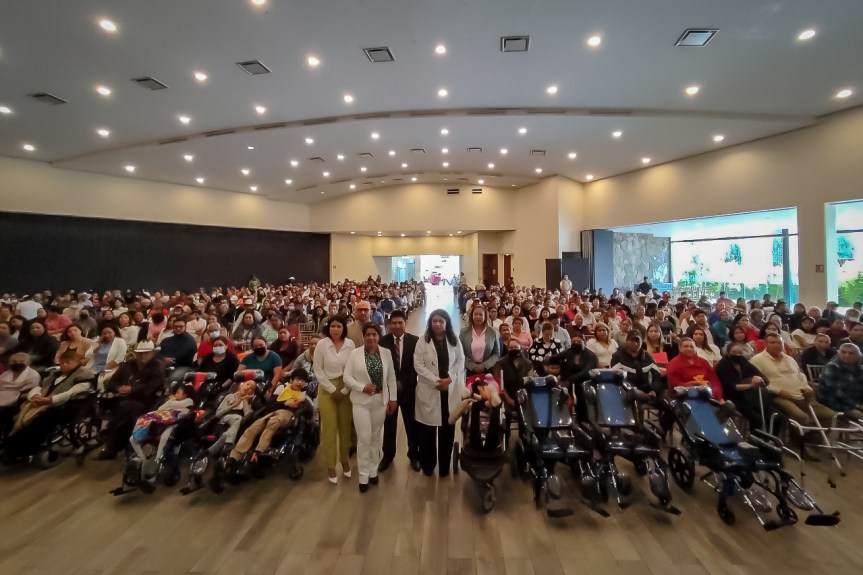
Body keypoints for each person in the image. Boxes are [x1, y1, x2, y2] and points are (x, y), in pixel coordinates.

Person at [3, 350, 96, 462]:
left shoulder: (83, 374)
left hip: (68, 406)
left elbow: (71, 393)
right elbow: (39, 387)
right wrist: (36, 396)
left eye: (68, 362)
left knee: (42, 419)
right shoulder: (55, 374)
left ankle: (23, 450)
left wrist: (50, 400)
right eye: (62, 363)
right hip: (45, 402)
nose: (64, 365)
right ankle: (8, 442)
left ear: (77, 362)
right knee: (11, 412)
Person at [751, 333, 834, 456]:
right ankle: (797, 446)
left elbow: (800, 375)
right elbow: (759, 382)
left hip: (801, 394)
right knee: (800, 416)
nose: (777, 345)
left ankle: (810, 442)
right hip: (778, 396)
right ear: (765, 344)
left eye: (779, 342)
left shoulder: (789, 359)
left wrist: (807, 387)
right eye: (773, 342)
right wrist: (778, 391)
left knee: (828, 414)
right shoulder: (757, 359)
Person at [344, 323, 398, 492]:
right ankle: (363, 475)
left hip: (380, 402)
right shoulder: (355, 354)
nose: (371, 337)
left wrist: (393, 399)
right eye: (368, 334)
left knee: (376, 438)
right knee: (364, 438)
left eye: (374, 334)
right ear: (364, 336)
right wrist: (362, 387)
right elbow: (347, 378)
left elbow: (391, 378)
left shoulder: (386, 353)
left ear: (379, 336)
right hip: (361, 402)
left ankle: (373, 471)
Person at [223, 368, 312, 470]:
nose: (300, 382)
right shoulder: (282, 388)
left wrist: (302, 405)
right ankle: (234, 457)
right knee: (254, 427)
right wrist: (285, 403)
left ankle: (258, 451)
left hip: (287, 414)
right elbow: (270, 405)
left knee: (273, 422)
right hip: (272, 412)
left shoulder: (303, 396)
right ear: (291, 380)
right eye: (298, 379)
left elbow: (309, 413)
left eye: (302, 380)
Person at [413, 309, 465, 477]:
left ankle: (444, 467)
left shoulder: (454, 340)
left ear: (446, 323)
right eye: (434, 321)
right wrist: (436, 381)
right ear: (430, 322)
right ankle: (428, 466)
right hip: (430, 389)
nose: (437, 324)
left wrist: (449, 379)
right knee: (427, 431)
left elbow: (460, 361)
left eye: (441, 321)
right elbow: (418, 365)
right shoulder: (422, 341)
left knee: (447, 431)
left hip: (448, 390)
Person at [97, 341, 166, 460]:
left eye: (146, 353)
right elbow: (112, 382)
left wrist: (133, 389)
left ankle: (112, 440)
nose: (143, 356)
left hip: (146, 401)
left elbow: (155, 385)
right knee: (123, 412)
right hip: (122, 400)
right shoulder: (127, 365)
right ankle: (115, 442)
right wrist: (119, 388)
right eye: (140, 353)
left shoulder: (156, 366)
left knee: (126, 411)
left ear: (152, 353)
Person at [313, 315, 356, 483]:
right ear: (328, 328)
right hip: (326, 388)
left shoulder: (350, 344)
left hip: (346, 387)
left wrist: (344, 390)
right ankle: (330, 466)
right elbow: (318, 370)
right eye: (333, 326)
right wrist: (332, 390)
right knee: (329, 429)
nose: (336, 329)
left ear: (344, 328)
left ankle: (345, 460)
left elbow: (353, 369)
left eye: (339, 326)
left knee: (345, 427)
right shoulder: (322, 345)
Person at [379, 310, 420, 472]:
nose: (397, 326)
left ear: (405, 323)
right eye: (393, 323)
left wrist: (402, 382)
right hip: (390, 391)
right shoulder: (383, 342)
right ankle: (388, 455)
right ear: (389, 325)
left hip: (409, 390)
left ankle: (414, 455)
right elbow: (381, 365)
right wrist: (392, 383)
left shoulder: (415, 341)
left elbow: (417, 366)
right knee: (389, 424)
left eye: (400, 322)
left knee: (411, 424)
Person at [129, 381, 195, 469]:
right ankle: (143, 461)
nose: (176, 394)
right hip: (159, 426)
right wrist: (171, 401)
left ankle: (158, 459)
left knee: (165, 435)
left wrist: (171, 400)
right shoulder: (174, 402)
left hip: (175, 426)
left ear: (185, 395)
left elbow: (173, 405)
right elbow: (160, 409)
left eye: (178, 393)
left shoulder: (189, 401)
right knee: (132, 439)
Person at [715, 343, 776, 430]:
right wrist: (751, 385)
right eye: (734, 352)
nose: (737, 355)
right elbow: (731, 387)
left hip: (750, 396)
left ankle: (769, 436)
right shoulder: (722, 366)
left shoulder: (743, 361)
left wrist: (758, 378)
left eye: (740, 353)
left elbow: (765, 380)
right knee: (756, 419)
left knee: (774, 416)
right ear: (728, 353)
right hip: (733, 398)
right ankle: (755, 436)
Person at [549, 331, 598, 422]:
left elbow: (586, 371)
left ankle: (583, 420)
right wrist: (548, 361)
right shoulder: (569, 351)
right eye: (573, 342)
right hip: (569, 381)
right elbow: (555, 358)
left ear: (584, 342)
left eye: (579, 342)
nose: (576, 343)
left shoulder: (591, 355)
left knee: (582, 399)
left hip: (584, 381)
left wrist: (571, 379)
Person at [0, 353, 41, 440]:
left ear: (28, 363)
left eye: (21, 361)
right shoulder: (6, 374)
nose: (17, 363)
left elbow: (31, 389)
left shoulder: (33, 375)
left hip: (17, 399)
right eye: (14, 361)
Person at [817, 343, 863, 419]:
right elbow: (837, 392)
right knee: (860, 416)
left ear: (858, 356)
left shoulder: (859, 368)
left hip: (854, 401)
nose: (846, 355)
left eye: (851, 353)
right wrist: (857, 405)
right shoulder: (832, 367)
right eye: (843, 352)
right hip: (835, 402)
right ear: (838, 353)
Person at [459, 305, 501, 377]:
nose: (478, 317)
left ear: (485, 317)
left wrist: (484, 365)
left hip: (488, 369)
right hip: (469, 369)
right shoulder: (463, 332)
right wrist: (472, 366)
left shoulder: (492, 332)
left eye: (480, 314)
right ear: (472, 316)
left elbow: (496, 353)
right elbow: (460, 353)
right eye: (475, 314)